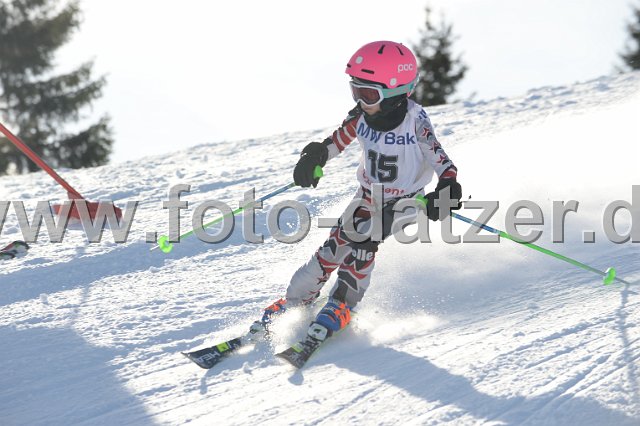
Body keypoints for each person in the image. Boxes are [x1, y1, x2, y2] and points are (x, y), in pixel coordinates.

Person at [258, 40, 462, 345]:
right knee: (331, 249)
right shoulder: (362, 116)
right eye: (356, 91)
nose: (362, 101)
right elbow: (337, 141)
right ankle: (297, 301)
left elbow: (443, 163)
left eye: (368, 94)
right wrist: (315, 157)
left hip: (406, 201)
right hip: (367, 196)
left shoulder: (415, 121)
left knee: (365, 240)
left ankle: (342, 305)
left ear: (395, 92)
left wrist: (447, 189)